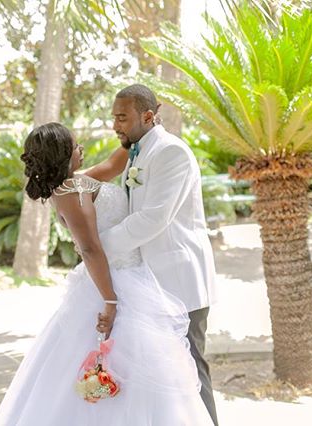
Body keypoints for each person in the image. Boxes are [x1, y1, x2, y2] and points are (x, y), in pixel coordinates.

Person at [0, 122, 213, 426]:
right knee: (119, 368)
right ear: (63, 155)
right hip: (114, 285)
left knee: (142, 370)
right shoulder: (69, 192)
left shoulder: (79, 182)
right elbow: (90, 248)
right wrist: (110, 302)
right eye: (75, 145)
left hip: (134, 275)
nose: (80, 148)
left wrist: (139, 131)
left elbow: (113, 164)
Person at [97, 84, 219, 425]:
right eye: (114, 118)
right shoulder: (136, 152)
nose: (116, 125)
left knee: (191, 372)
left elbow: (153, 218)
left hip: (179, 282)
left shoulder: (171, 153)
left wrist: (98, 247)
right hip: (149, 283)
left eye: (122, 118)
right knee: (164, 380)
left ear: (148, 116)